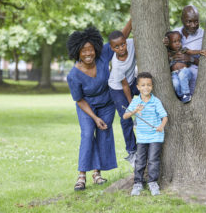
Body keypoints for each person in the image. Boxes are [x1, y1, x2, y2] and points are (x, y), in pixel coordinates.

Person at [164, 5, 206, 175]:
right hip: (177, 89)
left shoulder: (205, 36)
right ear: (182, 21)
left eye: (196, 21)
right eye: (189, 21)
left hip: (197, 89)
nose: (193, 25)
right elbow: (167, 53)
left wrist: (190, 59)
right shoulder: (175, 34)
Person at [67, 27, 117, 191]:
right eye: (84, 51)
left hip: (107, 104)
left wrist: (132, 18)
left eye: (91, 50)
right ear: (77, 53)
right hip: (86, 106)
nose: (88, 54)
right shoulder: (73, 75)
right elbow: (79, 100)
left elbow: (120, 37)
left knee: (103, 134)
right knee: (88, 134)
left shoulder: (103, 56)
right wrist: (95, 118)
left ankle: (97, 173)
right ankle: (81, 176)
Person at [123, 72, 168, 196]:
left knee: (153, 159)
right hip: (142, 136)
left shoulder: (156, 101)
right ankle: (138, 183)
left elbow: (164, 117)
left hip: (155, 136)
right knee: (140, 160)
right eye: (143, 85)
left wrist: (161, 126)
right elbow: (125, 115)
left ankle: (153, 182)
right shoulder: (135, 101)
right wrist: (135, 111)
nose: (146, 88)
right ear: (138, 87)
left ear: (152, 86)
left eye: (148, 85)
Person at [108, 29, 139, 167]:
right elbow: (125, 87)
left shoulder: (132, 44)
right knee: (126, 117)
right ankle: (132, 151)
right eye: (116, 46)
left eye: (123, 44)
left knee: (149, 87)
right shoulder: (116, 65)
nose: (121, 48)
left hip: (133, 81)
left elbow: (129, 28)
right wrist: (131, 105)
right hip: (119, 89)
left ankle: (141, 120)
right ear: (111, 48)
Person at [165, 31, 206, 103]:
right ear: (169, 43)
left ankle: (186, 94)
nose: (177, 43)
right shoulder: (169, 53)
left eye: (179, 41)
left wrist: (200, 51)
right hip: (174, 74)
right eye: (174, 41)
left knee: (182, 75)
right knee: (175, 83)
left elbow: (191, 52)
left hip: (185, 71)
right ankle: (180, 95)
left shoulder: (183, 50)